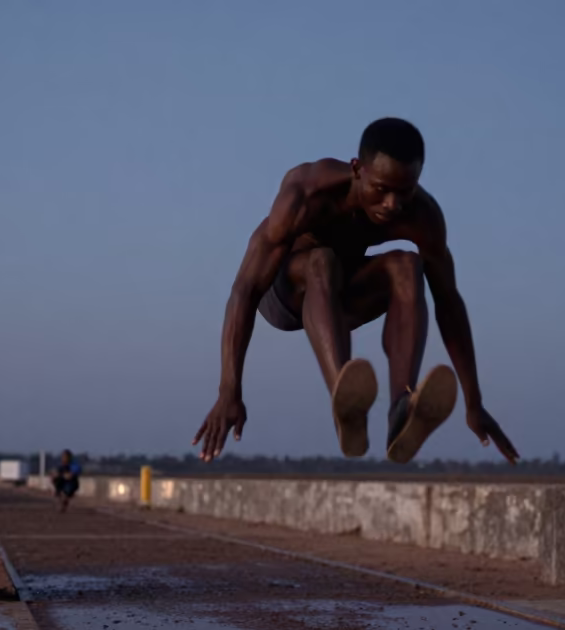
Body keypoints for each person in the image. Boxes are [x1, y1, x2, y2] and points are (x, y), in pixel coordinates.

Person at [193, 117, 519, 465]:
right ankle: (344, 401)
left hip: (340, 297)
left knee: (408, 265)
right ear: (357, 169)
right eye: (381, 188)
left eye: (404, 191)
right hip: (284, 294)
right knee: (322, 261)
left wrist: (474, 402)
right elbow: (245, 289)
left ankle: (401, 409)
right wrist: (229, 390)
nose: (393, 204)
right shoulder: (306, 193)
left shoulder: (422, 216)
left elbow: (449, 303)